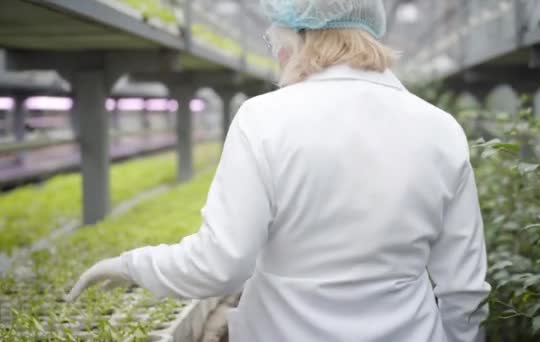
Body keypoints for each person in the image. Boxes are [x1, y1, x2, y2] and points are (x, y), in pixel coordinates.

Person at [67, 0, 491, 341]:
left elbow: (221, 265)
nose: (278, 55)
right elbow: (465, 288)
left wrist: (132, 266)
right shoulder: (440, 128)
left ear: (300, 36)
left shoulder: (264, 119)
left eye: (276, 43)